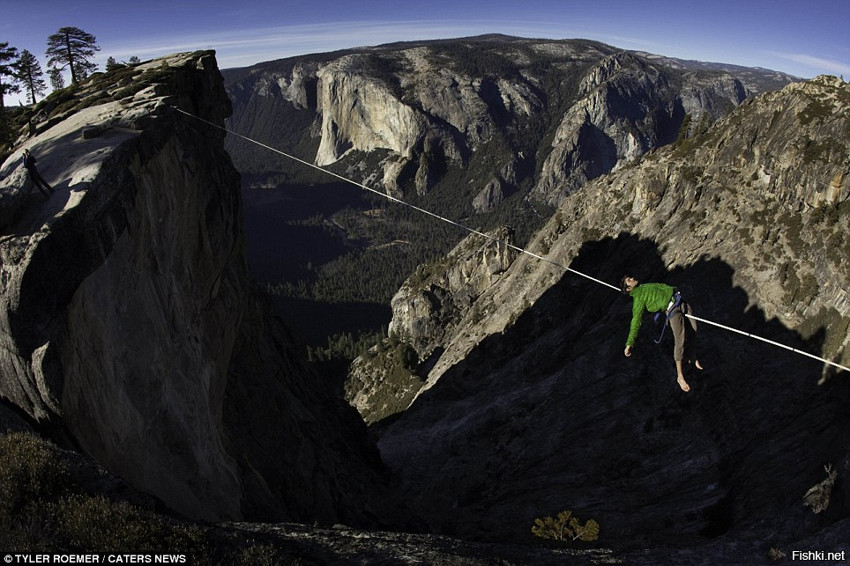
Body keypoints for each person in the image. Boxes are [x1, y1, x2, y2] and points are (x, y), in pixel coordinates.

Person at [621, 275, 703, 392]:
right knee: (680, 339)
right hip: (672, 309)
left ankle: (691, 356)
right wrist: (629, 343)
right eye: (629, 280)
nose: (632, 278)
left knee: (694, 329)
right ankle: (680, 376)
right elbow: (636, 320)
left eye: (630, 278)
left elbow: (662, 287)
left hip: (679, 300)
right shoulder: (638, 298)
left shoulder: (645, 286)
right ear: (628, 289)